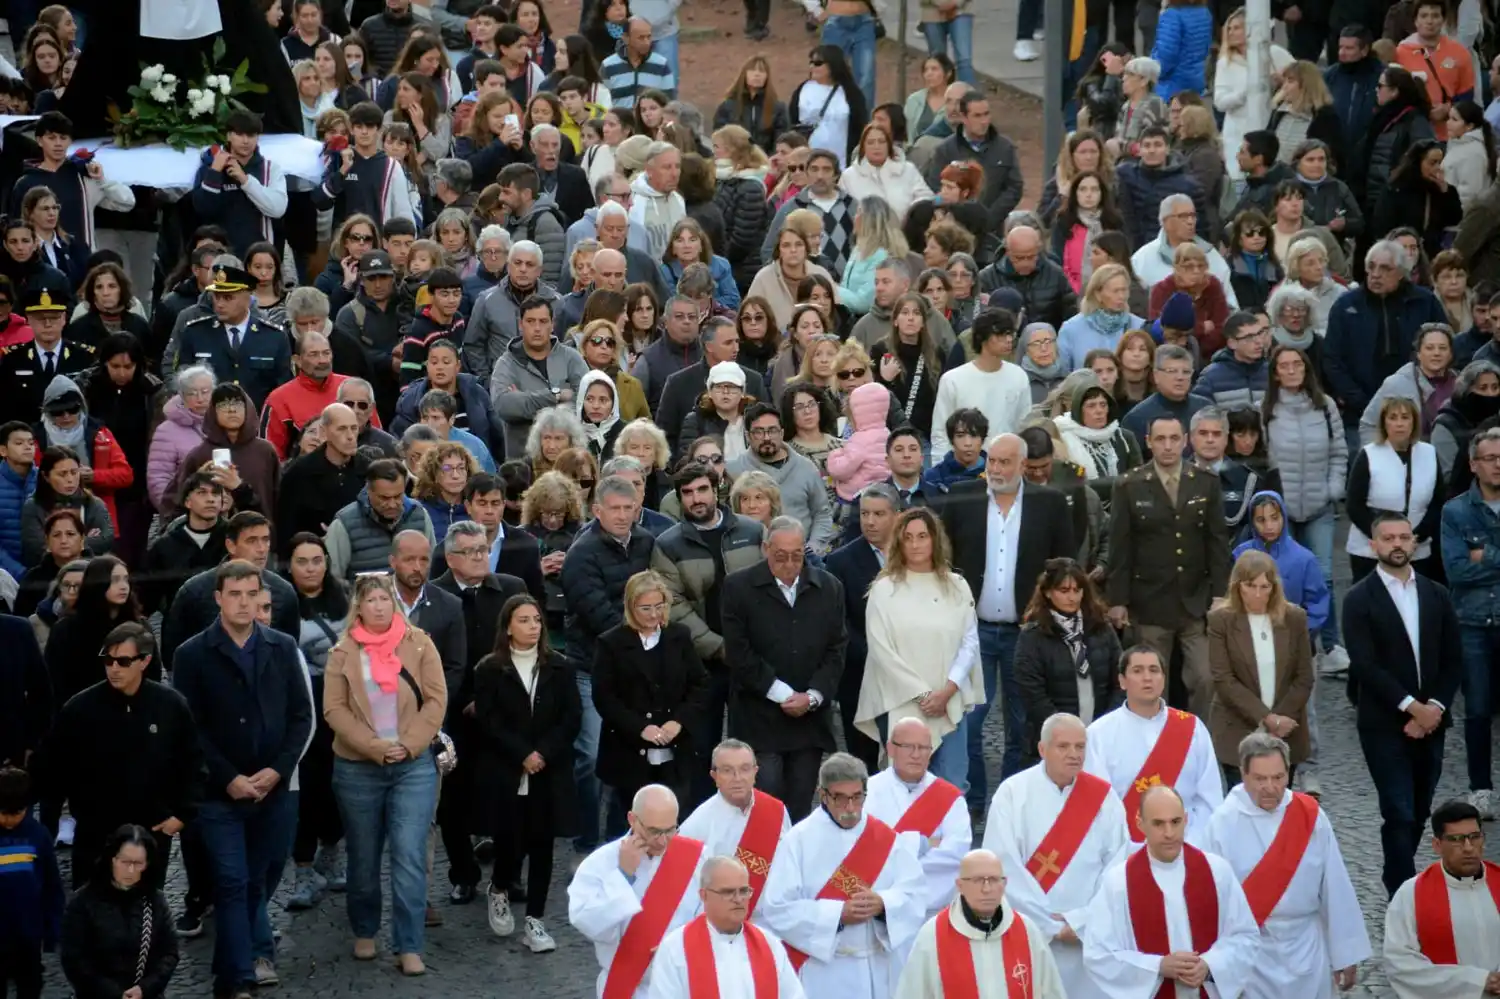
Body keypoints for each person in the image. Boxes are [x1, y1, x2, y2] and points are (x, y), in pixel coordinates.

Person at [171, 560, 312, 997]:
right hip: (219, 794)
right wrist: (229, 777)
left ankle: (230, 963)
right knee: (231, 881)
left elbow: (301, 716)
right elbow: (190, 729)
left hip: (273, 791)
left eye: (252, 594)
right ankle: (237, 979)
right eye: (235, 594)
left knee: (259, 879)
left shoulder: (283, 646)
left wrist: (278, 770)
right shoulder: (191, 654)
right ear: (218, 598)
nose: (245, 603)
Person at [1344, 511, 1463, 895]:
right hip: (1383, 724)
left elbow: (1453, 659)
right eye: (1388, 537)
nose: (1397, 544)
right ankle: (1402, 891)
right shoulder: (1358, 599)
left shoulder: (1436, 593)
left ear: (1414, 541)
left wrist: (1434, 709)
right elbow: (1365, 665)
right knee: (1398, 810)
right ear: (1373, 545)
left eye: (1403, 536)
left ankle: (1396, 873)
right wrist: (1413, 708)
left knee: (1420, 809)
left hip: (1433, 723)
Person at [31, 621, 201, 888]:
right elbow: (52, 768)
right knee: (92, 906)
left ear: (144, 661)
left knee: (146, 908)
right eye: (107, 660)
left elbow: (192, 762)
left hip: (151, 833)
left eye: (123, 661)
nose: (113, 668)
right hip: (95, 835)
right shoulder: (80, 709)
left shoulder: (171, 706)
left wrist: (181, 816)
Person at [1203, 732, 1369, 998]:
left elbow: (1334, 885)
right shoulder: (1222, 823)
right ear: (1243, 774)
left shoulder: (1309, 816)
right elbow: (1211, 898)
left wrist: (1345, 954)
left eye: (1278, 777)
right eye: (1260, 779)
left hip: (1307, 949)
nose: (1270, 787)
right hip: (1252, 955)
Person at [756, 751, 926, 998]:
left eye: (857, 797)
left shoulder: (886, 838)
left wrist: (883, 904)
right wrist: (837, 915)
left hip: (877, 968)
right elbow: (778, 908)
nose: (850, 808)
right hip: (825, 973)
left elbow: (916, 894)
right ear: (822, 795)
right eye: (840, 798)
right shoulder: (799, 840)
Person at [980, 714, 1128, 997]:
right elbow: (1001, 867)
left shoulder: (1104, 798)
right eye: (1063, 746)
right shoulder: (1012, 793)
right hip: (1028, 933)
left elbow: (1118, 869)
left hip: (1087, 939)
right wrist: (1048, 926)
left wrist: (1082, 921)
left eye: (1080, 746)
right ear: (1042, 749)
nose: (1074, 754)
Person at [1080, 786, 1261, 996]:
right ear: (1140, 824)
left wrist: (1209, 965)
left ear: (1186, 820)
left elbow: (1245, 936)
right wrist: (1157, 966)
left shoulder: (1217, 872)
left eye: (1175, 822)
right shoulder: (1118, 883)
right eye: (1158, 824)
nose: (1169, 833)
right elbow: (1098, 954)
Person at [1106, 413, 1231, 718]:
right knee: (1150, 683)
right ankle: (1155, 738)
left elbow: (1217, 542)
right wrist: (1117, 600)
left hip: (1195, 600)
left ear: (1185, 441)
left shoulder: (1205, 482)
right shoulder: (1129, 485)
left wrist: (1220, 593)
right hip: (1149, 601)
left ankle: (1197, 736)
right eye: (1160, 439)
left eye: (1174, 439)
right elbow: (1120, 546)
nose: (1168, 446)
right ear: (1148, 442)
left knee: (1205, 677)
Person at [853, 508, 981, 788]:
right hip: (900, 701)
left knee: (951, 785)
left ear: (935, 539)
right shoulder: (884, 590)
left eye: (922, 536)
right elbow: (881, 651)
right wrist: (924, 695)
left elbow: (969, 642)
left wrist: (947, 691)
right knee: (905, 787)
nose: (915, 544)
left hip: (948, 701)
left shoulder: (957, 586)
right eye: (908, 537)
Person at [568, 784, 708, 998]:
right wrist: (623, 876)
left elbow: (712, 915)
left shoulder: (698, 857)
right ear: (632, 819)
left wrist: (680, 947)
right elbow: (587, 922)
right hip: (628, 986)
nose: (662, 841)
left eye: (670, 830)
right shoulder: (600, 862)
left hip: (683, 983)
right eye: (654, 831)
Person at [1082, 645, 1223, 847]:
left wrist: (1190, 846)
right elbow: (1099, 807)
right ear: (1122, 681)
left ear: (1163, 679)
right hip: (1124, 853)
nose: (1147, 678)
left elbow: (1210, 799)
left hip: (1188, 847)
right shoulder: (1098, 734)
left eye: (1154, 670)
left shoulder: (1192, 728)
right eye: (1137, 671)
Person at [1206, 550, 1314, 787]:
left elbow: (1304, 676)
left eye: (1264, 587)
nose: (1257, 594)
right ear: (1238, 586)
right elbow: (1224, 679)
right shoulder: (1220, 620)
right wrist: (1267, 718)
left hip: (1285, 730)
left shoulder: (1294, 618)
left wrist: (1280, 720)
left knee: (1278, 799)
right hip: (1237, 730)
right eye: (1250, 586)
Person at [1381, 798, 1500, 997]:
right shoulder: (1411, 893)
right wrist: (1477, 981)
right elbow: (1400, 962)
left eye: (1475, 837)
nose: (1468, 847)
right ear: (1437, 845)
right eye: (1456, 839)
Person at [1441, 427, 1500, 820]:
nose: (1498, 465)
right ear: (1474, 464)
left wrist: (1485, 554)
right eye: (1490, 458)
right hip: (1473, 622)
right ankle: (1481, 788)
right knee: (1477, 708)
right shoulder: (1455, 511)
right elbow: (1457, 570)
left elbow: (1473, 562)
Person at [647, 855, 806, 999]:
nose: (738, 899)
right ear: (704, 895)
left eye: (744, 891)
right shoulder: (676, 947)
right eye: (728, 892)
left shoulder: (769, 945)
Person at [863, 716, 971, 924]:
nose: (916, 755)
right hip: (877, 912)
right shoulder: (867, 792)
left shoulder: (951, 799)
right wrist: (922, 843)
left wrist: (893, 847)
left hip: (931, 914)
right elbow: (863, 849)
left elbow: (954, 856)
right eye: (908, 747)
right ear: (890, 749)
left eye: (923, 748)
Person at [1012, 558, 1123, 758]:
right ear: (1048, 592)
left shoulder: (1101, 628)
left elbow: (1120, 678)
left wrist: (1107, 723)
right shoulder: (1033, 636)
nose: (1072, 597)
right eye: (1064, 590)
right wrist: (1062, 730)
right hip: (1054, 741)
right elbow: (1032, 691)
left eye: (1077, 590)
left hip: (1101, 737)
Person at [58, 824, 177, 999]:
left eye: (138, 863)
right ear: (112, 859)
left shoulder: (155, 901)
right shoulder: (82, 903)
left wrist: (145, 988)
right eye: (125, 862)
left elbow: (169, 953)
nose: (131, 870)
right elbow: (74, 960)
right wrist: (113, 993)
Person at [678, 739, 791, 917]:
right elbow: (687, 894)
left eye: (745, 769)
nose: (737, 778)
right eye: (727, 770)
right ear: (714, 776)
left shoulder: (777, 810)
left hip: (777, 919)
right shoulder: (696, 827)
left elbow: (789, 866)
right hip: (726, 923)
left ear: (755, 772)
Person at [1347, 397, 1446, 582]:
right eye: (1393, 418)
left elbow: (1438, 501)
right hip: (1371, 550)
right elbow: (1354, 505)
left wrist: (1416, 536)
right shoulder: (1369, 454)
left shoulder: (1429, 453)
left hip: (1418, 549)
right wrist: (1382, 537)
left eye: (1405, 417)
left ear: (1414, 422)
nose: (1399, 424)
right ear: (1384, 423)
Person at [927, 310, 1030, 460]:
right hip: (963, 465)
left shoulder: (1018, 376)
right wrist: (940, 466)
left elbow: (1024, 425)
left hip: (1007, 462)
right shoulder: (953, 379)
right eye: (1000, 335)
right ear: (982, 338)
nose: (1008, 340)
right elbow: (941, 432)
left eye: (1010, 334)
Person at [189, 109, 290, 258]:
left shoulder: (270, 169)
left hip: (257, 257)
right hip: (218, 256)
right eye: (240, 134)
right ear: (228, 135)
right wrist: (214, 173)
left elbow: (278, 209)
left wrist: (245, 180)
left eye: (251, 135)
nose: (245, 141)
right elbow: (202, 209)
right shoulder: (210, 167)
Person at [923, 92, 1024, 237]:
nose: (984, 121)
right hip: (955, 231)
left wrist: (989, 218)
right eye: (977, 116)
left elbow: (1014, 188)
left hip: (992, 232)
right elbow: (935, 188)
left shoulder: (1005, 148)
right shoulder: (945, 150)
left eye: (986, 114)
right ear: (963, 117)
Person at [324, 458, 435, 580]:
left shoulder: (419, 515)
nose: (392, 504)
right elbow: (332, 580)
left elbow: (432, 568)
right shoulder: (344, 524)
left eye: (398, 496)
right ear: (369, 491)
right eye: (384, 498)